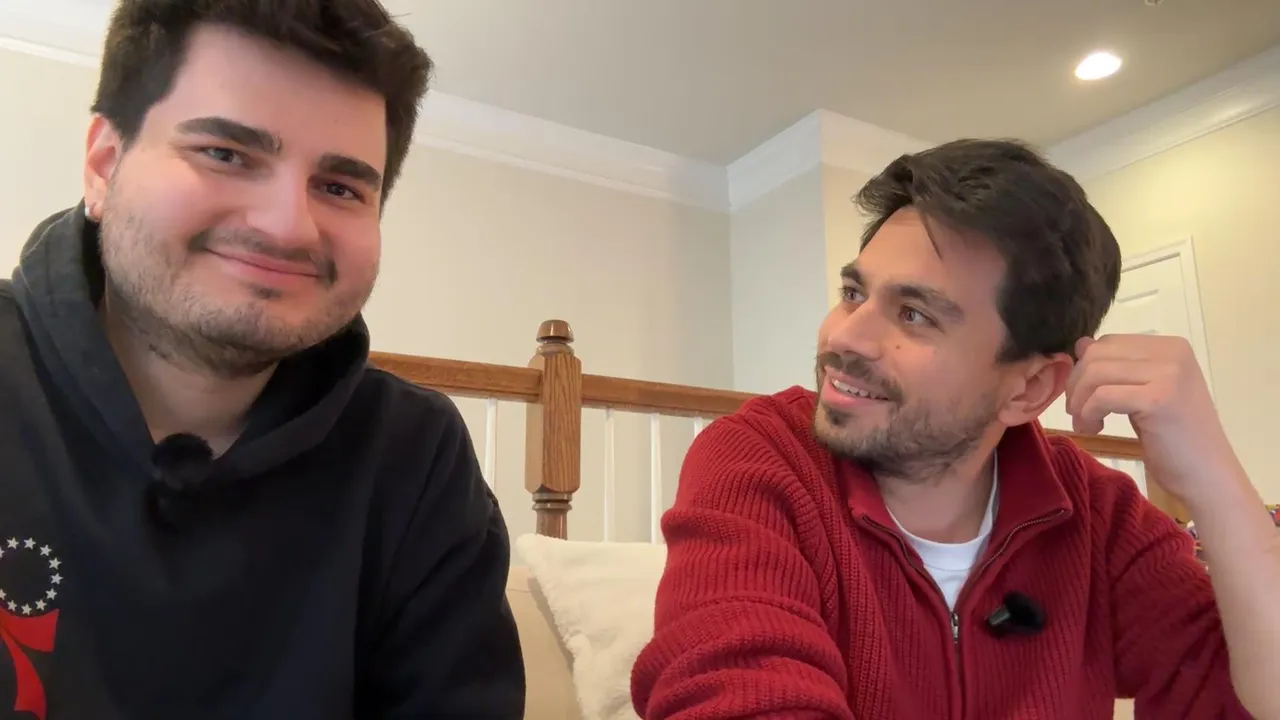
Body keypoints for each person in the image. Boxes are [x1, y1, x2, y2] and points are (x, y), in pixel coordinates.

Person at [630, 139, 1279, 719]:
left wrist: (1215, 482)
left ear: (1029, 388)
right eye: (854, 293)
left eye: (914, 314)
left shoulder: (1098, 517)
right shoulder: (761, 458)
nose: (844, 337)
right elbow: (734, 694)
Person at [0, 1, 524, 718]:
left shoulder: (414, 457)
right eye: (225, 154)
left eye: (339, 188)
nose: (287, 227)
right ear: (104, 164)